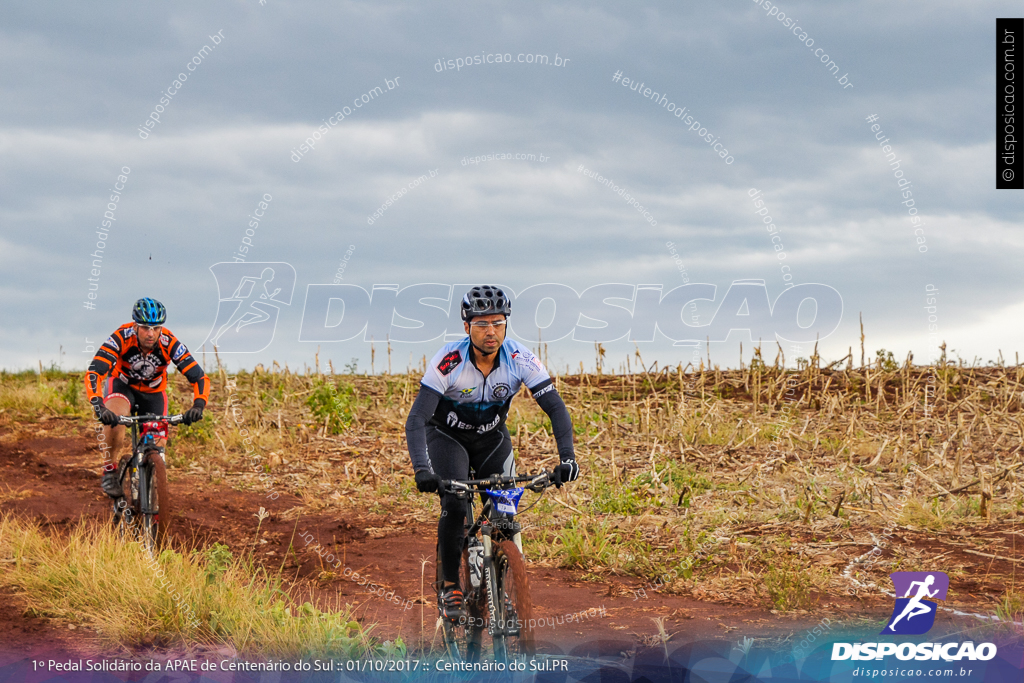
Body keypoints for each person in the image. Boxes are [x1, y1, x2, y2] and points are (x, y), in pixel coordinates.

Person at [405, 285, 579, 621]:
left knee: (504, 511)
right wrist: (422, 469)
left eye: (498, 323)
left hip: (491, 438)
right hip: (446, 437)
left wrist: (568, 458)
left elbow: (555, 408)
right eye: (482, 324)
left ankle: (499, 587)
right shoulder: (448, 361)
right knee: (455, 503)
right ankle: (449, 584)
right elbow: (417, 419)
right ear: (466, 326)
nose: (491, 332)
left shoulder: (519, 359)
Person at [84, 297, 210, 497]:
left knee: (157, 445)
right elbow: (95, 372)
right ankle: (109, 470)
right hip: (122, 386)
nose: (151, 334)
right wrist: (98, 404)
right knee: (116, 417)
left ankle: (151, 496)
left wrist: (199, 404)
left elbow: (199, 377)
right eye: (144, 328)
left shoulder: (170, 342)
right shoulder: (121, 337)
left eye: (156, 328)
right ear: (135, 326)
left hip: (153, 393)